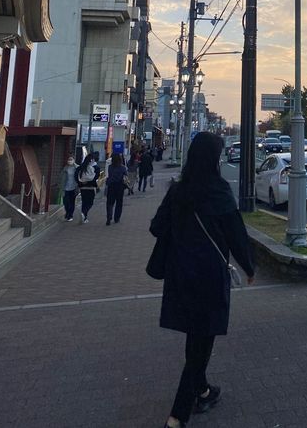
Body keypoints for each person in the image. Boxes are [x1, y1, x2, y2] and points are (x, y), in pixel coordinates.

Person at [150, 132, 255, 428]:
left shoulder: (179, 190)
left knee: (195, 335)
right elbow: (236, 234)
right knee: (202, 341)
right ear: (213, 158)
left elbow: (157, 227)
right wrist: (249, 267)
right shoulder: (219, 191)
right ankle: (177, 415)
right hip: (209, 275)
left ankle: (204, 390)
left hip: (180, 274)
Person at [76, 152, 100, 224]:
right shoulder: (96, 167)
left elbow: (76, 175)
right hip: (91, 187)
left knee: (84, 201)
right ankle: (84, 213)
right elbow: (96, 177)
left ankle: (84, 217)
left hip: (82, 187)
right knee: (90, 203)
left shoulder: (81, 166)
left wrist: (80, 183)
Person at [105, 153, 128, 225]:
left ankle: (109, 217)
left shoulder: (110, 167)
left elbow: (109, 176)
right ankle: (116, 218)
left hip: (111, 186)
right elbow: (126, 176)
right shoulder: (123, 168)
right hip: (120, 186)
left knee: (110, 203)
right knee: (119, 203)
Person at [60, 154, 79, 221]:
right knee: (65, 202)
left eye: (71, 159)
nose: (69, 161)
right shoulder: (65, 168)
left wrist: (78, 187)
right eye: (69, 159)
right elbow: (61, 177)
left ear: (74, 160)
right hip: (65, 187)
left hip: (74, 187)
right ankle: (67, 212)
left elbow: (79, 178)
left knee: (71, 202)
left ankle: (70, 215)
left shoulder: (77, 168)